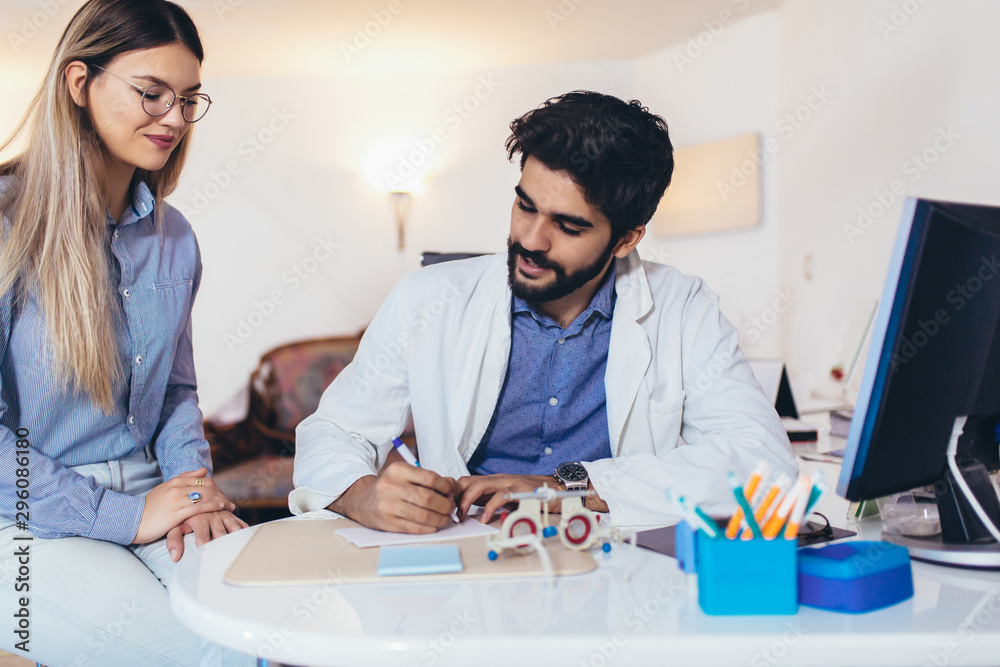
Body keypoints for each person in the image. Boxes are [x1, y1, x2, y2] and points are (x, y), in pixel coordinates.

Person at [291, 91, 797, 533]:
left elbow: (764, 464)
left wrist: (566, 486)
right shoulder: (426, 298)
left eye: (569, 226)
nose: (530, 241)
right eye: (525, 206)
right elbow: (334, 431)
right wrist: (363, 494)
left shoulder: (683, 308)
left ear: (626, 238)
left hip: (613, 565)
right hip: (460, 565)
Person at [0, 1, 251, 664]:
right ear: (79, 84)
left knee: (258, 629)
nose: (173, 118)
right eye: (151, 93)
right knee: (198, 654)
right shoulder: (5, 224)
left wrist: (193, 487)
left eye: (188, 98)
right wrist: (128, 518)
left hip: (152, 492)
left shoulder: (174, 239)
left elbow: (174, 389)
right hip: (22, 520)